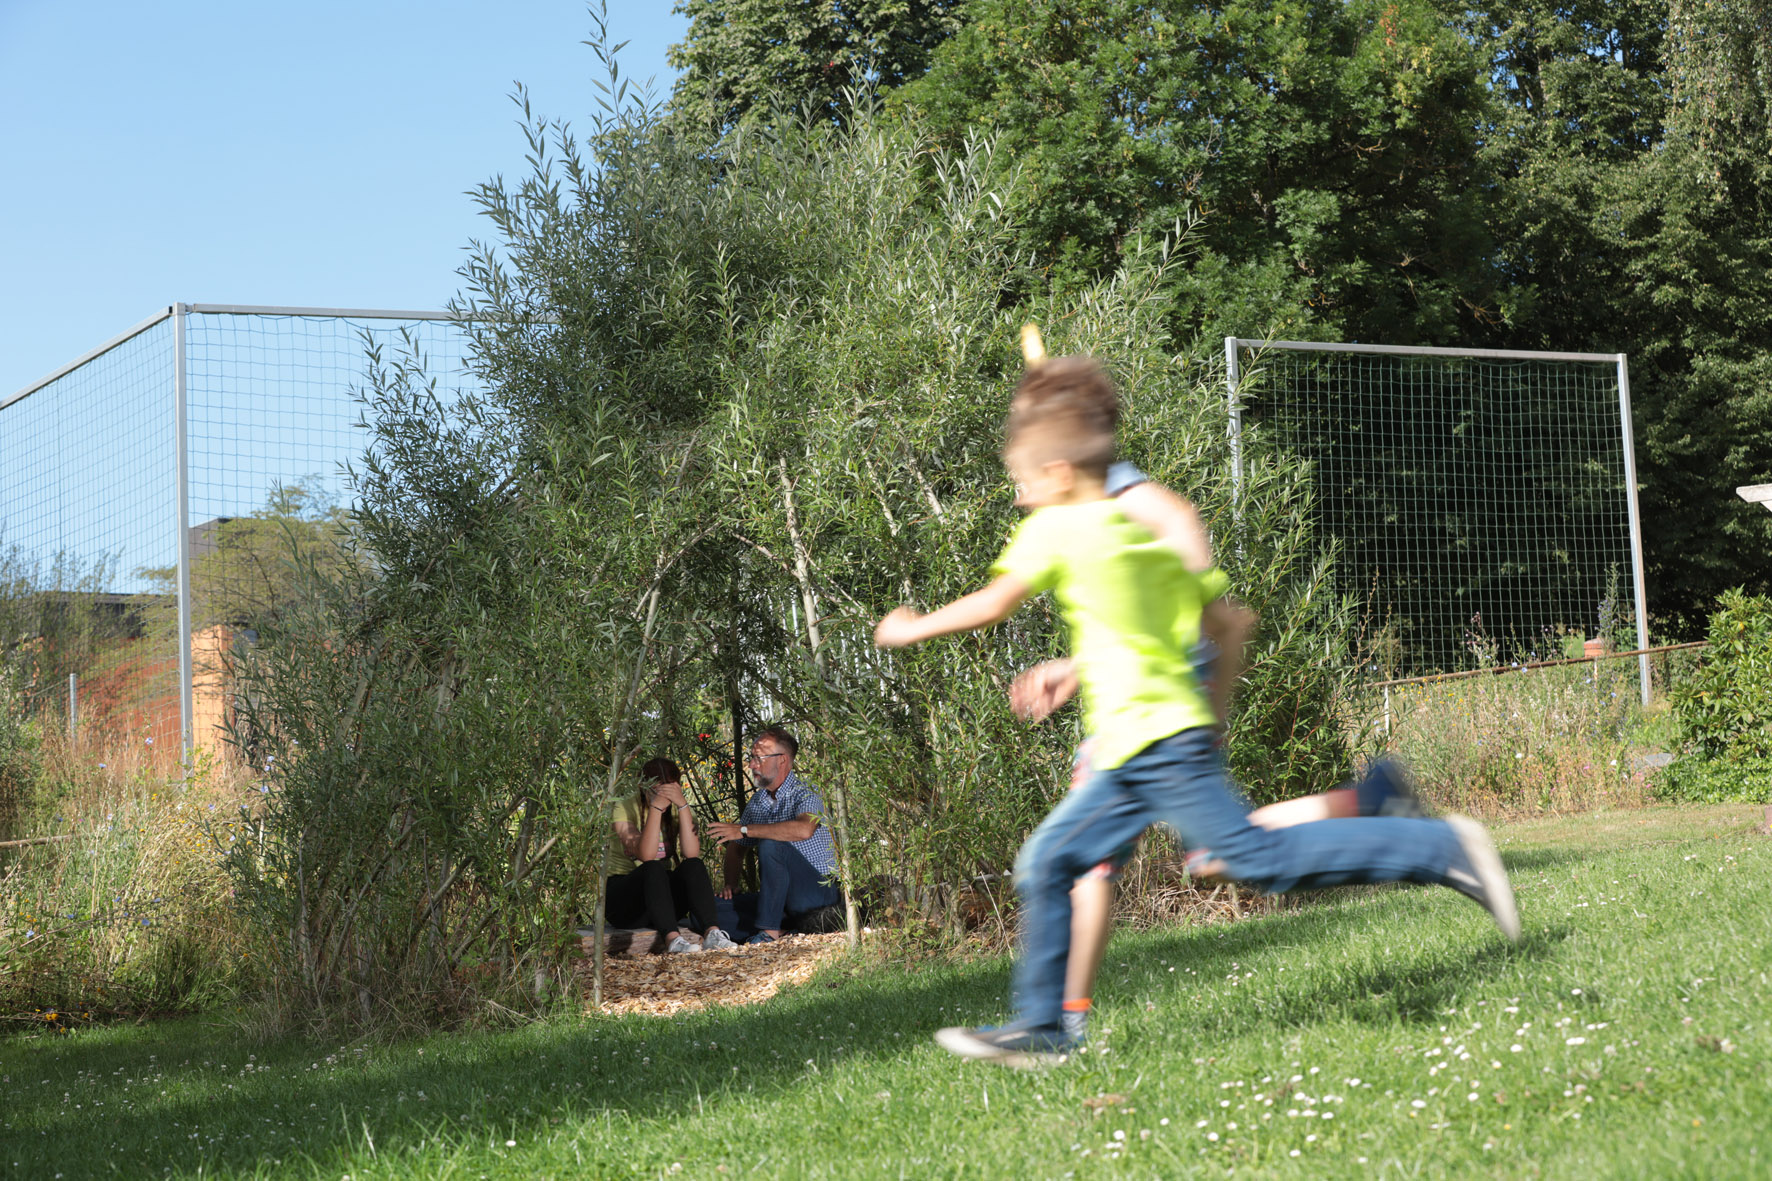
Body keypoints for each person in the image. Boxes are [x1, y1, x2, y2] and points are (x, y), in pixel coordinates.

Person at [874, 355, 1518, 1067]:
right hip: (1141, 747)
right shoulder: (1145, 537)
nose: (1019, 495)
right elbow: (1223, 622)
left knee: (1249, 859)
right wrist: (1209, 713)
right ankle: (1044, 1027)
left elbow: (994, 604)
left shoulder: (1058, 529)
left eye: (1021, 480)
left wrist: (909, 625)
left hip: (1154, 746)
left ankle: (1440, 849)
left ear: (1058, 472)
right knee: (1048, 860)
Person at [709, 726, 844, 943]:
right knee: (707, 911)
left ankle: (768, 934)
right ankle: (786, 929)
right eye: (751, 758)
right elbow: (736, 847)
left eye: (759, 758)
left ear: (782, 760)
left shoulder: (806, 791)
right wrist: (730, 884)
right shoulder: (758, 802)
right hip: (779, 902)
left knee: (770, 844)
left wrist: (745, 830)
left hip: (819, 894)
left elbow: (804, 829)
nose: (752, 765)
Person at [605, 757, 737, 953]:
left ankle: (712, 933)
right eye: (659, 789)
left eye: (670, 790)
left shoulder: (680, 809)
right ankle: (673, 940)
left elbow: (691, 853)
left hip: (661, 901)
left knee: (694, 865)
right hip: (625, 904)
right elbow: (646, 855)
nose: (666, 796)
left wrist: (683, 806)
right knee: (652, 867)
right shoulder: (623, 807)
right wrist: (656, 808)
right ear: (643, 785)